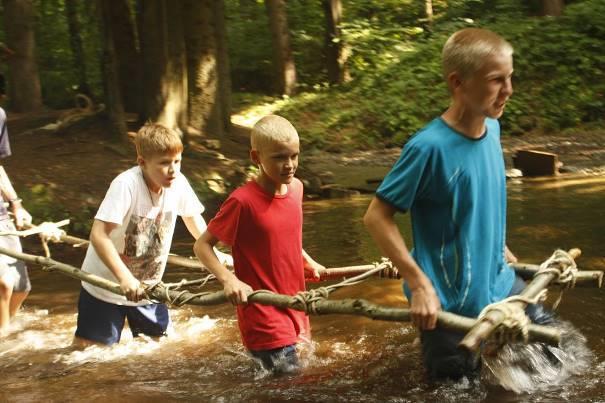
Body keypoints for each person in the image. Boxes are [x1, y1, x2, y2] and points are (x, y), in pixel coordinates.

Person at [364, 28, 552, 380]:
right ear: (458, 82)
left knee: (558, 355)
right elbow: (376, 217)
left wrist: (499, 244)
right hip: (449, 305)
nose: (509, 90)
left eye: (510, 78)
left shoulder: (492, 130)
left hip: (501, 284)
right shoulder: (427, 148)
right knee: (455, 388)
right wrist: (419, 285)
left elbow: (477, 197)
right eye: (497, 80)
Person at [74, 123, 231, 346]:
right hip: (105, 287)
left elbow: (193, 220)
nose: (173, 169)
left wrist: (215, 254)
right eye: (164, 163)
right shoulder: (125, 185)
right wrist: (125, 278)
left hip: (148, 287)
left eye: (177, 161)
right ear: (142, 163)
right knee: (90, 354)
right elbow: (99, 235)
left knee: (157, 350)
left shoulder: (179, 183)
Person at [194, 115, 325, 373]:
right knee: (292, 385)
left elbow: (284, 236)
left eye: (294, 156)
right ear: (256, 157)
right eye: (279, 157)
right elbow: (202, 246)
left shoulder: (297, 188)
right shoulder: (242, 202)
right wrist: (228, 279)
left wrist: (305, 259)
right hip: (262, 316)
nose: (289, 165)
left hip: (295, 306)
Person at [0, 73, 33, 336]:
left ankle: (5, 330)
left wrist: (16, 203)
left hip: (1, 214)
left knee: (21, 288)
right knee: (3, 283)